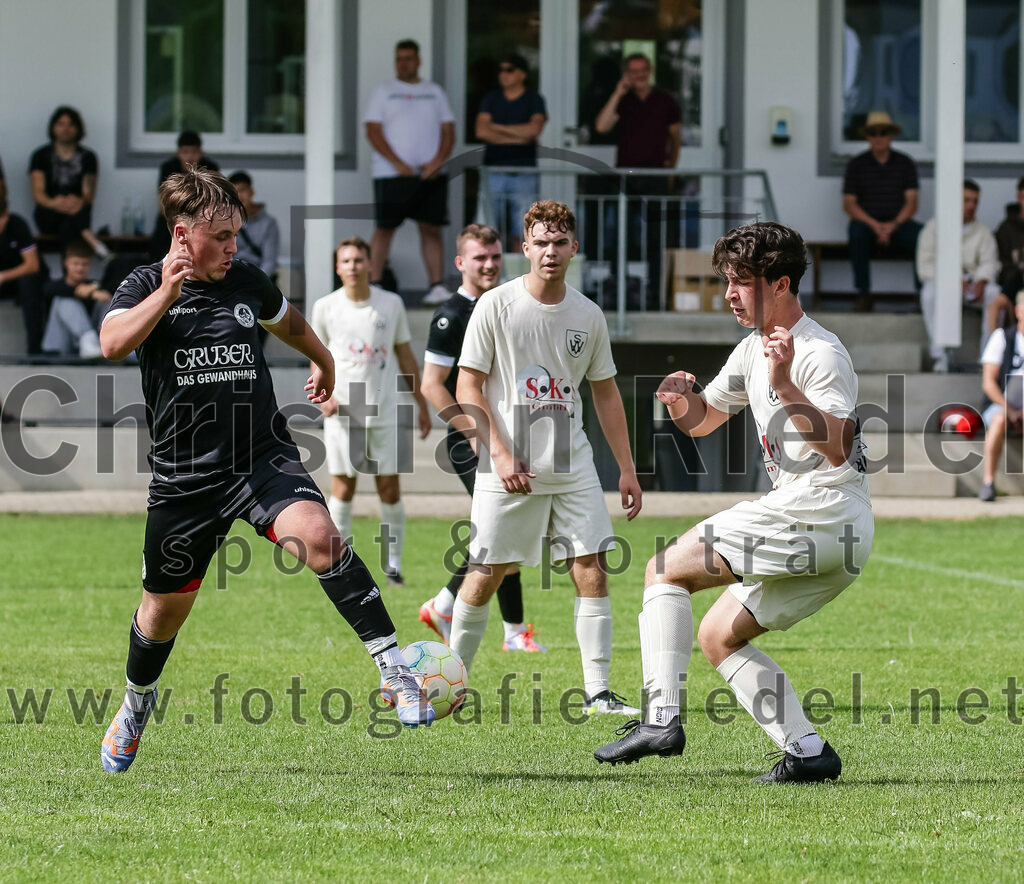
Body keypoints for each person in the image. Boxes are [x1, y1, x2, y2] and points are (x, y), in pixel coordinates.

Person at [97, 167, 433, 773]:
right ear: (182, 234)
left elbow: (290, 322)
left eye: (236, 233)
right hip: (184, 479)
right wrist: (165, 296)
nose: (234, 247)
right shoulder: (143, 284)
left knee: (324, 539)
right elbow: (112, 343)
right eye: (221, 235)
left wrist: (325, 360)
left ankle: (396, 670)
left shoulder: (246, 280)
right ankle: (134, 706)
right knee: (161, 614)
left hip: (261, 458)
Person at [594, 222, 873, 783]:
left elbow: (839, 446)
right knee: (718, 635)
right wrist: (678, 398)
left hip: (817, 508)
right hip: (837, 532)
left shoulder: (820, 352)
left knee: (662, 571)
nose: (729, 294)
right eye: (727, 281)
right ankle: (808, 753)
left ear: (782, 284)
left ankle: (660, 718)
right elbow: (705, 420)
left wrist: (787, 384)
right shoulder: (752, 349)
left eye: (741, 282)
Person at [451, 200, 643, 715]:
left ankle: (599, 693)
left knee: (593, 568)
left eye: (560, 243)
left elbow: (605, 395)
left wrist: (625, 467)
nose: (550, 252)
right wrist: (499, 452)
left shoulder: (589, 314)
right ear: (525, 247)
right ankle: (450, 683)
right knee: (486, 571)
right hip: (506, 465)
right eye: (540, 242)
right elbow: (467, 384)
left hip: (573, 464)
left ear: (574, 249)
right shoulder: (495, 305)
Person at [418, 223, 545, 652]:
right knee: (503, 526)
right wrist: (475, 434)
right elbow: (432, 385)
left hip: (507, 434)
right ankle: (507, 630)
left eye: (494, 257)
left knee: (502, 529)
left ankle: (447, 605)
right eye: (479, 258)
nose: (489, 265)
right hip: (472, 439)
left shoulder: (508, 305)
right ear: (460, 263)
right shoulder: (450, 315)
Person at [311, 237, 431, 586]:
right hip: (345, 411)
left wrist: (421, 404)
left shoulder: (390, 304)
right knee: (343, 489)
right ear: (338, 268)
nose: (352, 266)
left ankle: (392, 566)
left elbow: (406, 355)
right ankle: (340, 568)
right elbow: (316, 357)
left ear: (369, 265)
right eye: (346, 261)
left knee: (389, 490)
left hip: (386, 410)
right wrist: (323, 397)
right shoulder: (325, 307)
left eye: (358, 260)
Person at [363, 39, 456, 306]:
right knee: (385, 228)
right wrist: (397, 163)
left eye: (408, 58)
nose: (403, 63)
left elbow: (448, 132)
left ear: (418, 60)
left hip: (431, 174)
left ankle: (437, 287)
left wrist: (437, 161)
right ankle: (375, 284)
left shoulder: (434, 92)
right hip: (391, 174)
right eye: (399, 59)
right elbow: (372, 130)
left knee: (431, 228)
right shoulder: (384, 91)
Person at [916, 180, 1000, 372]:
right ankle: (940, 356)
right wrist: (950, 280)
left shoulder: (982, 231)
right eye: (966, 200)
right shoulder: (933, 228)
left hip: (972, 287)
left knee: (994, 295)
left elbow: (990, 262)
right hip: (944, 287)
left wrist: (981, 280)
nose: (971, 205)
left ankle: (987, 359)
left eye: (975, 201)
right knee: (929, 294)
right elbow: (925, 266)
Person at [842, 110, 922, 312]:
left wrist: (892, 226)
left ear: (891, 135)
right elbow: (849, 204)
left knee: (922, 236)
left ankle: (923, 294)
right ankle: (863, 293)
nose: (878, 137)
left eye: (883, 132)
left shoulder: (905, 163)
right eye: (873, 133)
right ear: (867, 136)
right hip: (868, 224)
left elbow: (912, 203)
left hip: (899, 224)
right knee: (856, 232)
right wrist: (876, 226)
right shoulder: (856, 164)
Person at [475, 53, 547, 248]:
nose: (503, 74)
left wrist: (497, 127)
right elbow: (481, 130)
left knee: (524, 229)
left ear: (522, 74)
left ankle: (519, 274)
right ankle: (488, 275)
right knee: (486, 228)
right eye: (500, 70)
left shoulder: (534, 99)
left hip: (524, 171)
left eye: (509, 70)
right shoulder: (491, 98)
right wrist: (518, 136)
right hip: (493, 170)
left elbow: (533, 131)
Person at [29, 106, 107, 257]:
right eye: (61, 124)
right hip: (49, 212)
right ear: (53, 127)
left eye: (71, 124)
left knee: (68, 225)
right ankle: (93, 242)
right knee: (70, 224)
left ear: (78, 128)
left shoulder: (88, 157)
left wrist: (77, 202)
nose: (66, 128)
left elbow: (88, 195)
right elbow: (38, 193)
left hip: (77, 210)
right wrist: (55, 203)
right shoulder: (40, 156)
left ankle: (69, 278)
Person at [595, 52, 681, 170]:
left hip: (657, 173)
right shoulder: (622, 99)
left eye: (644, 69)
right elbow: (601, 127)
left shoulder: (666, 100)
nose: (640, 74)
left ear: (651, 70)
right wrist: (617, 94)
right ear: (627, 74)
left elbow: (675, 139)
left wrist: (671, 171)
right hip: (626, 172)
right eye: (634, 71)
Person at [978, 290, 1024, 502]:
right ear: (1017, 311)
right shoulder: (1003, 337)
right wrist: (1011, 410)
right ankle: (989, 483)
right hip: (1002, 405)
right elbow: (988, 383)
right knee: (998, 421)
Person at [151, 131, 220, 257]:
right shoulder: (168, 168)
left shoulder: (210, 168)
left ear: (201, 153)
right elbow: (163, 205)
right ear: (178, 153)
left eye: (194, 152)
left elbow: (214, 202)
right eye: (185, 152)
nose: (189, 157)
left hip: (201, 221)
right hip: (171, 222)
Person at [41, 240, 110, 357]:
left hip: (94, 348)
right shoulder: (54, 286)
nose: (80, 268)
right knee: (64, 300)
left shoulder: (92, 286)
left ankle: (109, 340)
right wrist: (90, 294)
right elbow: (50, 290)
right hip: (59, 347)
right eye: (76, 263)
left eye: (84, 264)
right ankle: (88, 341)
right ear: (66, 263)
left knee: (106, 298)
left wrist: (96, 289)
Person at [0, 190, 46, 355]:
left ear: (5, 216)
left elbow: (32, 265)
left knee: (28, 283)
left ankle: (35, 351)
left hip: (20, 283)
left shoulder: (17, 225)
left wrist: (3, 276)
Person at [228, 171, 279, 281]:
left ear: (251, 191)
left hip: (259, 281)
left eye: (242, 190)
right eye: (234, 192)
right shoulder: (225, 221)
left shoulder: (268, 223)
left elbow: (269, 262)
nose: (239, 196)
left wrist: (254, 284)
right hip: (230, 281)